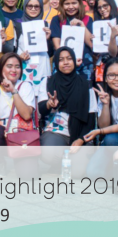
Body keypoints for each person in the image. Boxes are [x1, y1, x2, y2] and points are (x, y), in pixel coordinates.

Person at [39, 47, 94, 175]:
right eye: (61, 60)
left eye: (69, 59)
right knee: (48, 154)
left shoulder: (86, 85)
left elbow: (91, 119)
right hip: (56, 132)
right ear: (56, 63)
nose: (65, 62)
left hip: (79, 134)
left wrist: (81, 140)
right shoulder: (48, 82)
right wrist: (49, 104)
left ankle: (70, 160)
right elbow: (41, 109)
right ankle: (61, 162)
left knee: (77, 173)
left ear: (74, 61)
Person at [0, 53, 38, 177]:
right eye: (9, 66)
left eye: (17, 67)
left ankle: (22, 162)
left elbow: (26, 115)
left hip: (21, 134)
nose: (13, 70)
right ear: (1, 68)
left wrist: (14, 91)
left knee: (28, 175)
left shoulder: (25, 86)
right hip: (2, 132)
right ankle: (0, 163)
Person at [84, 58, 118, 177]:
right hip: (111, 142)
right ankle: (115, 168)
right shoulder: (104, 94)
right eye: (112, 75)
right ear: (106, 78)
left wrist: (99, 131)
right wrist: (106, 104)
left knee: (110, 139)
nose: (117, 79)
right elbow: (104, 125)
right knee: (92, 173)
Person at [50, 0, 95, 81]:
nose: (71, 7)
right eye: (67, 4)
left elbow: (91, 44)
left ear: (80, 3)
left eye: (74, 3)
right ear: (62, 5)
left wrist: (82, 25)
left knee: (84, 89)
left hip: (84, 63)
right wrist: (70, 61)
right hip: (63, 64)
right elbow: (57, 46)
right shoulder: (56, 20)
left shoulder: (88, 19)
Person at [17, 0, 52, 101]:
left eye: (37, 6)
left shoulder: (45, 24)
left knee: (42, 98)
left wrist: (48, 39)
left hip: (42, 66)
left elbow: (51, 51)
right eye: (30, 6)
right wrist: (19, 57)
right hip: (25, 65)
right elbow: (13, 48)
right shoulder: (17, 24)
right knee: (25, 97)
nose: (33, 9)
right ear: (25, 7)